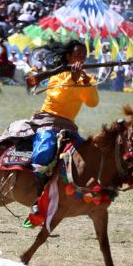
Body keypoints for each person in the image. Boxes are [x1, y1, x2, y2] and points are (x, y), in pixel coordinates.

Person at [30, 40, 99, 214]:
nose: (81, 59)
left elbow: (92, 102)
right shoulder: (58, 75)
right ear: (68, 56)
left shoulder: (87, 78)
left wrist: (83, 82)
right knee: (43, 153)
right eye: (78, 55)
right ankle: (37, 198)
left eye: (84, 56)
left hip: (69, 125)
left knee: (87, 157)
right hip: (48, 120)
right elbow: (57, 97)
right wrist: (72, 79)